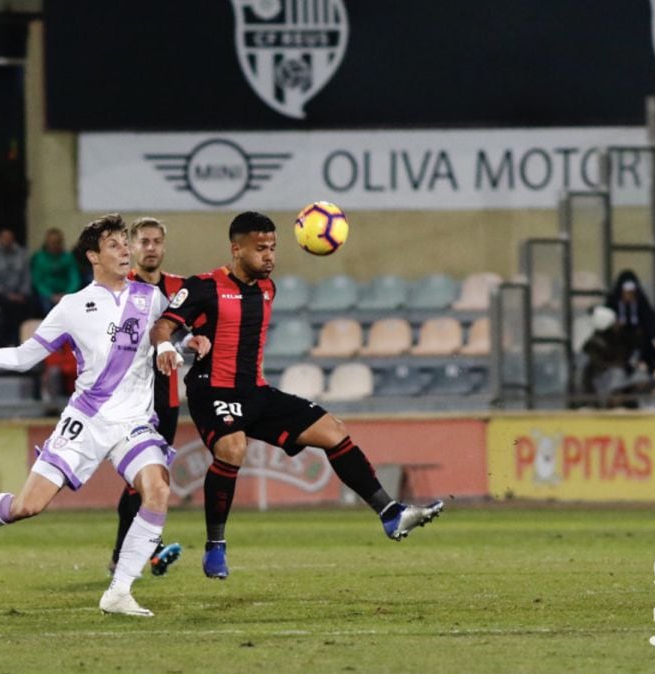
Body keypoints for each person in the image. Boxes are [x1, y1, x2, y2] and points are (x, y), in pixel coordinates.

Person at [0, 214, 210, 617]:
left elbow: (171, 335)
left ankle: (119, 590)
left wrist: (192, 341)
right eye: (115, 245)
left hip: (134, 424)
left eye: (126, 243)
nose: (125, 250)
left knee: (157, 489)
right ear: (93, 256)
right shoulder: (72, 307)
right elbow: (23, 357)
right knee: (26, 507)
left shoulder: (150, 298)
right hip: (86, 421)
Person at [150, 211, 443, 580]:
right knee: (233, 448)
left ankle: (390, 513)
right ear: (236, 249)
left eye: (273, 248)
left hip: (255, 392)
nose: (269, 256)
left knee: (333, 431)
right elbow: (164, 324)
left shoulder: (267, 288)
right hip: (212, 389)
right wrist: (166, 347)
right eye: (260, 249)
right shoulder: (204, 285)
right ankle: (215, 546)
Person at [107, 217, 186, 578]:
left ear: (164, 246)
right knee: (142, 480)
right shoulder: (119, 289)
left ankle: (130, 554)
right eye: (144, 241)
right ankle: (139, 552)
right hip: (130, 400)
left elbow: (200, 326)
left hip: (166, 398)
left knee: (149, 482)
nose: (151, 247)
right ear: (132, 247)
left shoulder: (179, 289)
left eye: (156, 241)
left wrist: (200, 340)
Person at [0, 228, 35, 347]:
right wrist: (8, 294)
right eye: (5, 238)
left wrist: (23, 293)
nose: (8, 241)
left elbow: (26, 277)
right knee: (9, 307)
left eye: (11, 239)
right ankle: (3, 343)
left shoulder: (21, 253)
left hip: (18, 294)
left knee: (29, 305)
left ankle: (20, 342)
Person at [605, 270, 655, 370]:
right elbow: (608, 317)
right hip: (618, 335)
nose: (629, 294)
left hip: (637, 335)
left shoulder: (641, 300)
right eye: (626, 291)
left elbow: (648, 319)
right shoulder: (613, 300)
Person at [30, 228, 82, 314]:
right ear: (47, 243)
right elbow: (38, 281)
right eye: (52, 242)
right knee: (46, 307)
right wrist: (51, 295)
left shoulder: (68, 257)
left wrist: (67, 294)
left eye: (58, 242)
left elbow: (74, 278)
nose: (55, 245)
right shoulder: (39, 258)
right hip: (47, 295)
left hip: (66, 293)